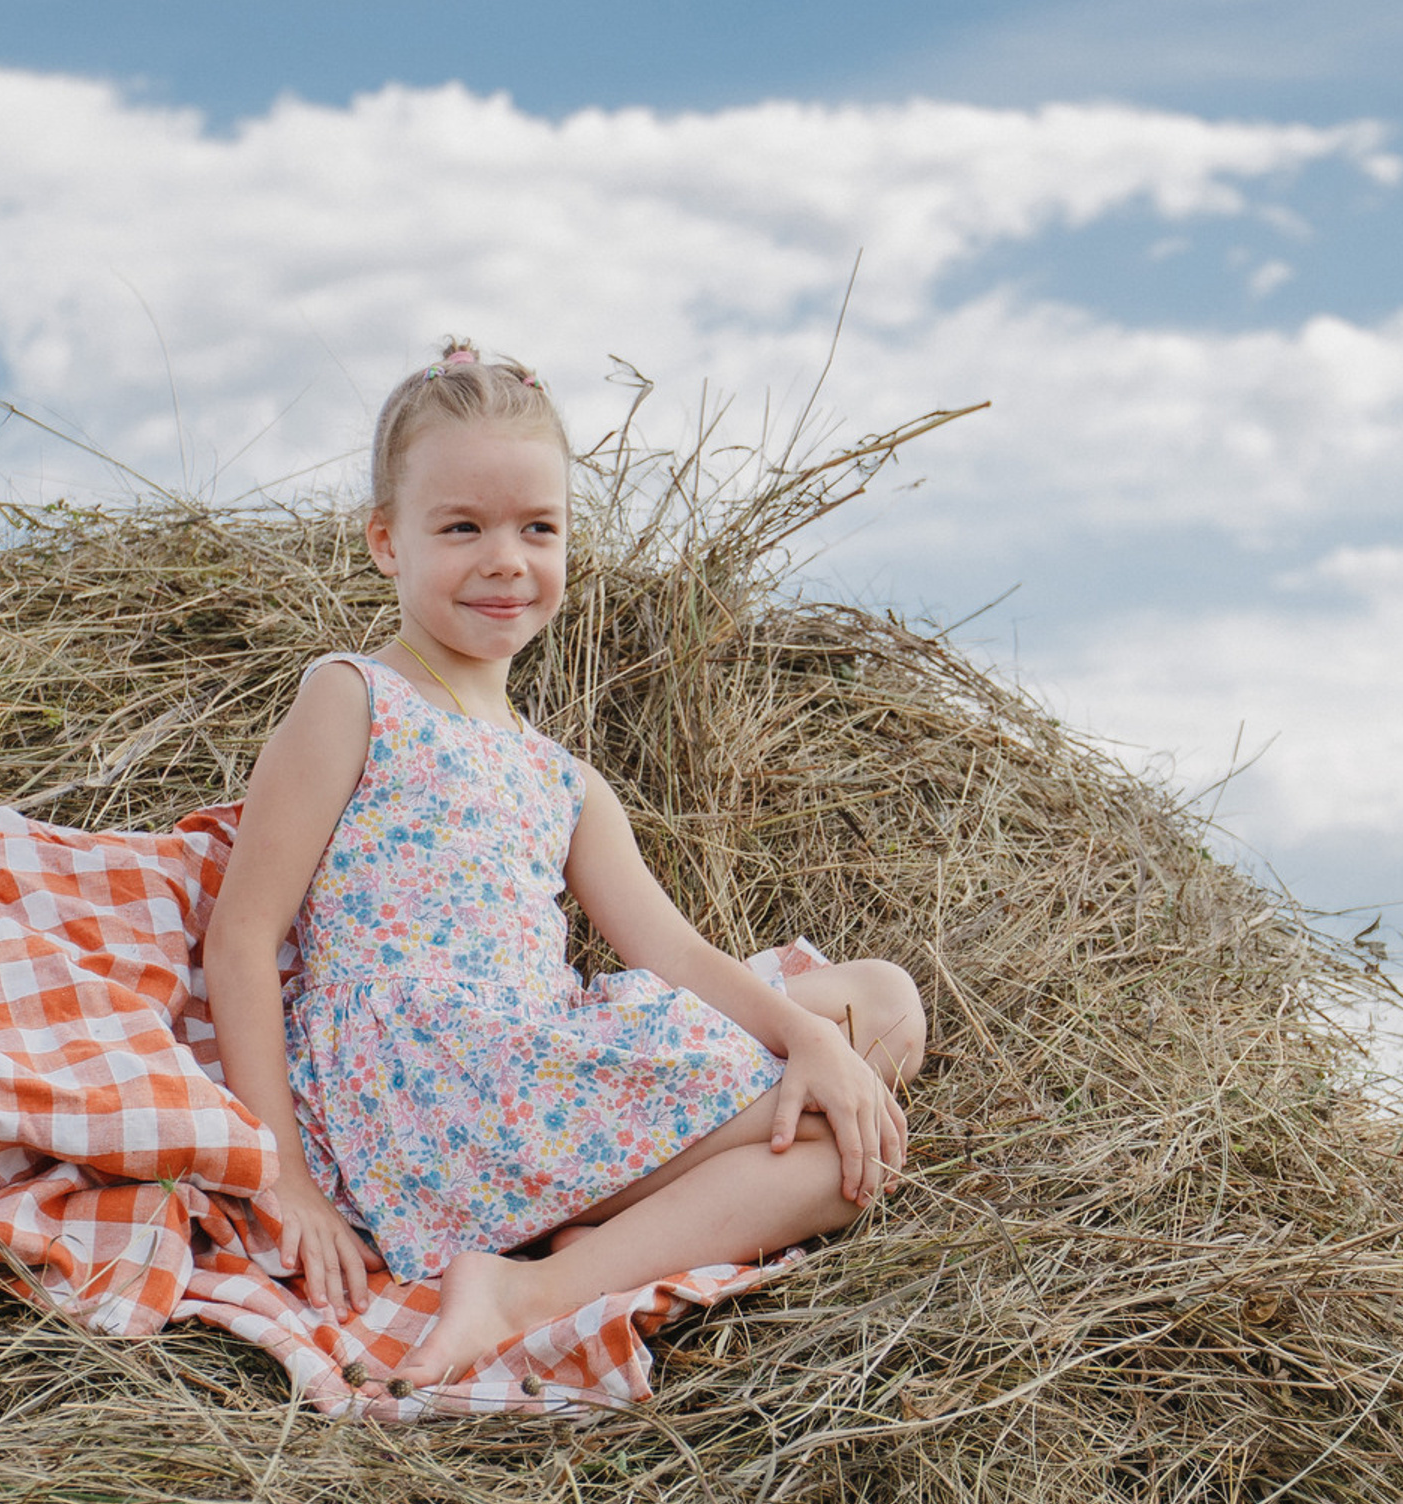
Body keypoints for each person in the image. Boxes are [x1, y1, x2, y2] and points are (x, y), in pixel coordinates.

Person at [202, 340, 927, 1390]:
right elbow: (242, 934)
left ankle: (559, 1248)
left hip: (541, 1058)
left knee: (877, 1034)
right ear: (384, 542)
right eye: (462, 528)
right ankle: (541, 1276)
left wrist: (809, 1034)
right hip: (435, 1088)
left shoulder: (562, 776)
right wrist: (289, 1181)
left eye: (537, 528)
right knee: (842, 1122)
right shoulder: (353, 697)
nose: (505, 559)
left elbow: (670, 949)